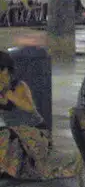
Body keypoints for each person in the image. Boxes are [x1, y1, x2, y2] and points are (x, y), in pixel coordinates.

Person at [0, 50, 49, 179]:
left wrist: (8, 94)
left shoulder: (19, 86)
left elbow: (30, 107)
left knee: (7, 134)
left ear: (7, 71)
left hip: (37, 133)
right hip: (16, 136)